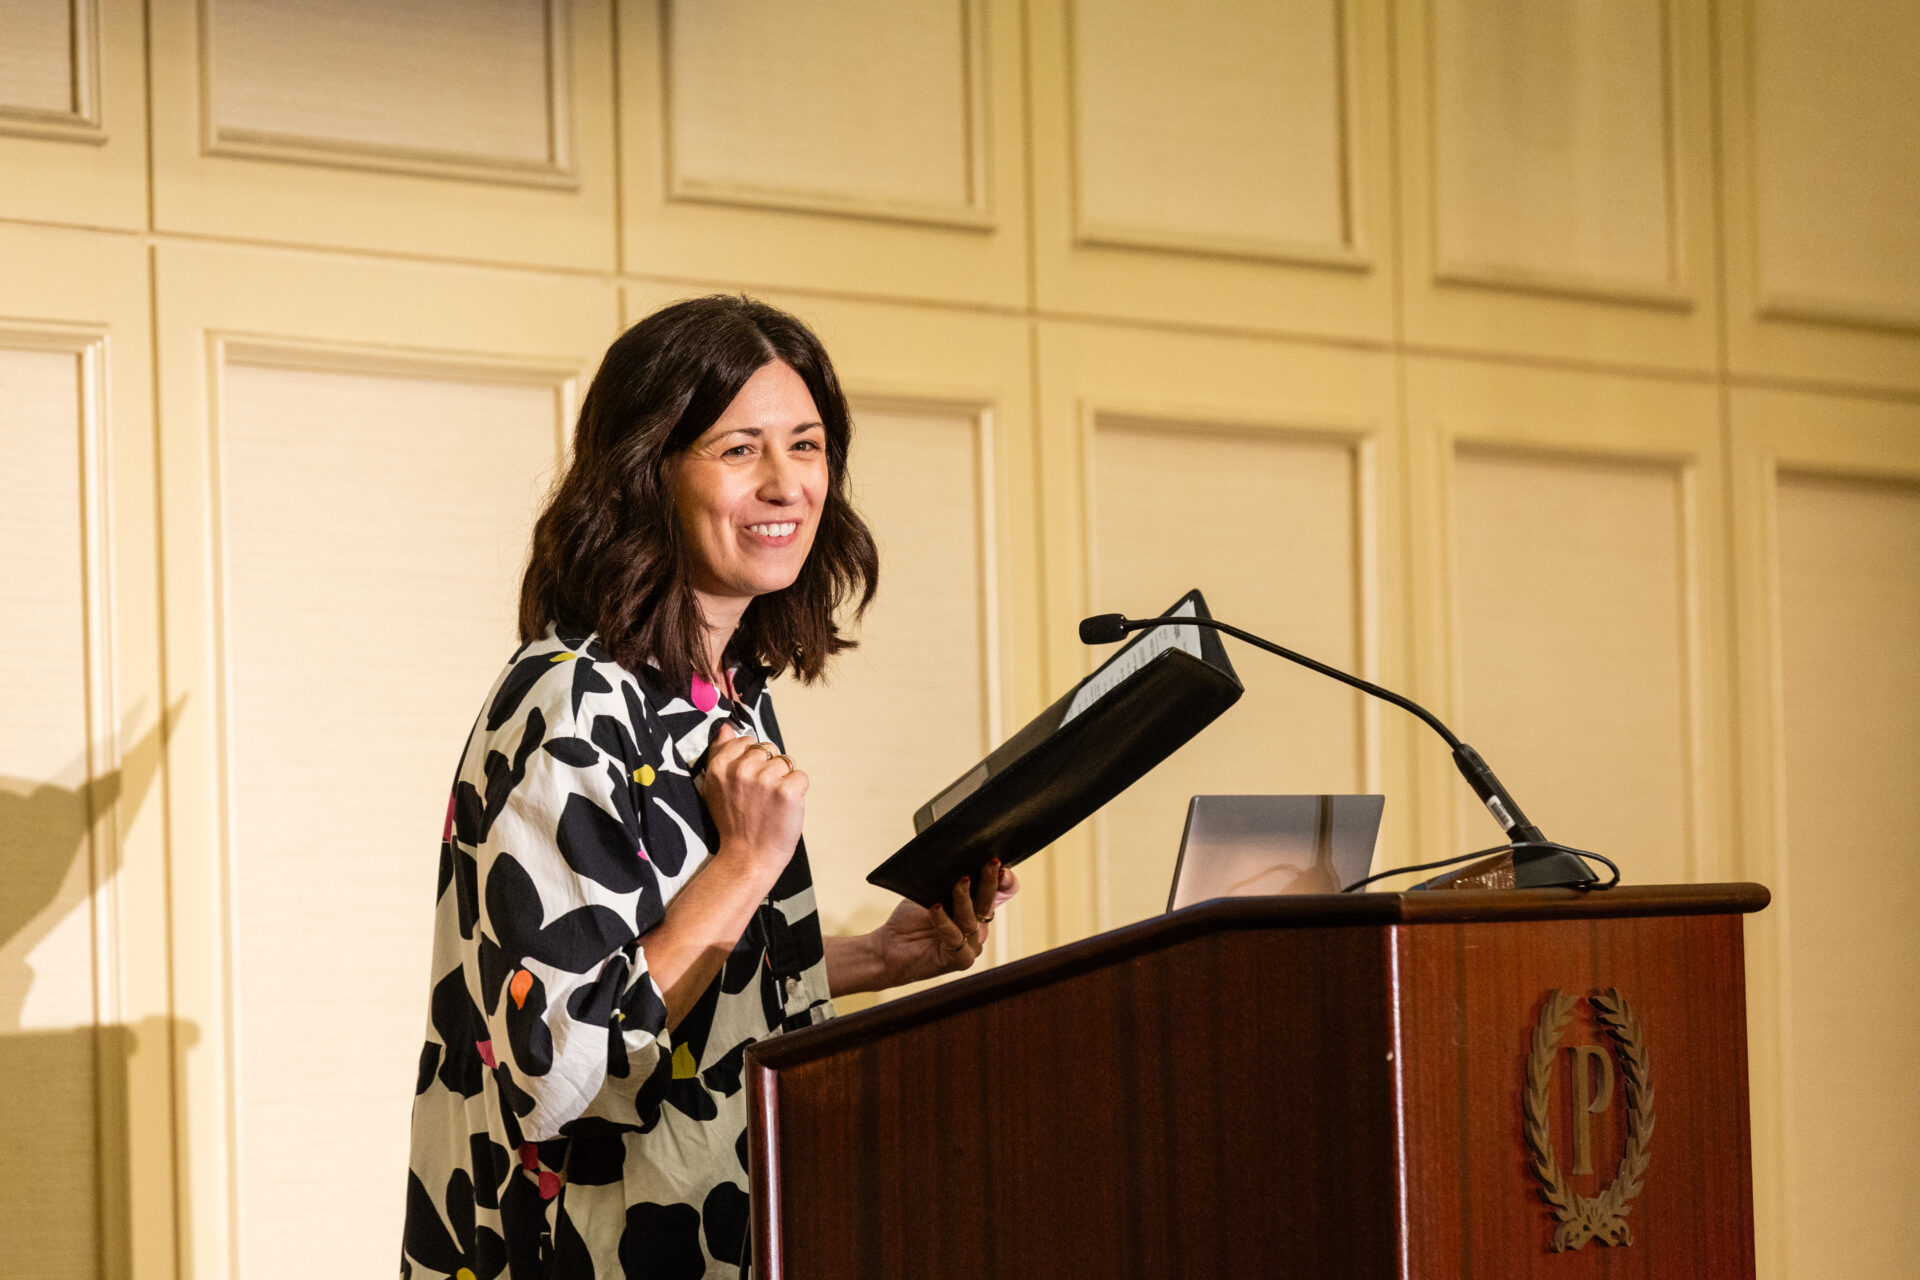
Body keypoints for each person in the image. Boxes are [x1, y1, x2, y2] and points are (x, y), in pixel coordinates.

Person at [401, 296, 1018, 1279]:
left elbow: (669, 978)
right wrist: (746, 862)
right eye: (740, 449)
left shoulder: (717, 697)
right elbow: (569, 1068)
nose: (786, 484)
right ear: (650, 473)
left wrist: (860, 959)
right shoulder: (569, 703)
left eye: (807, 445)